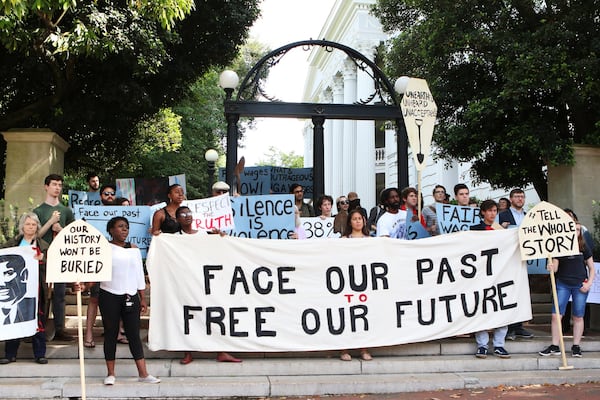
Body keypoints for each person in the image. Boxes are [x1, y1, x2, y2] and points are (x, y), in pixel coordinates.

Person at [86, 217, 160, 385]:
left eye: (126, 227)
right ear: (111, 230)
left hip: (131, 295)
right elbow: (95, 273)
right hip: (109, 295)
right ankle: (111, 374)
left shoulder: (134, 249)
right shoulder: (103, 249)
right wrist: (84, 284)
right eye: (120, 227)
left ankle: (143, 373)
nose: (124, 230)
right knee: (111, 333)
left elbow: (138, 275)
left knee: (134, 334)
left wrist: (142, 297)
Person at [539, 221, 595, 358]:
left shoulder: (583, 247)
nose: (575, 232)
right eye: (573, 229)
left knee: (578, 315)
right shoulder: (559, 248)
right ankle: (554, 345)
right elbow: (556, 268)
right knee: (556, 315)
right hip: (562, 283)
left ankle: (576, 346)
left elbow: (592, 268)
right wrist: (551, 267)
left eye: (577, 230)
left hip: (580, 285)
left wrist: (589, 284)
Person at [0, 213, 49, 364]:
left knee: (37, 320)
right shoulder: (11, 244)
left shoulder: (44, 246)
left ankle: (40, 354)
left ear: (37, 227)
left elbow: (52, 264)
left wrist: (43, 259)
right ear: (22, 226)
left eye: (34, 225)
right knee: (14, 319)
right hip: (14, 291)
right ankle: (10, 354)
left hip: (37, 290)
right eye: (28, 224)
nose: (30, 227)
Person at [33, 174, 75, 342]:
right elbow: (35, 236)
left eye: (59, 185)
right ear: (46, 187)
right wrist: (50, 222)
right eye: (54, 184)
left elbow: (72, 235)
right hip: (42, 258)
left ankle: (60, 328)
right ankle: (38, 328)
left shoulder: (66, 211)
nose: (57, 187)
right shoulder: (38, 211)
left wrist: (61, 228)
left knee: (59, 295)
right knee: (41, 294)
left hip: (60, 258)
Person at [470, 200, 511, 359]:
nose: (493, 213)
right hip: (481, 275)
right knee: (481, 308)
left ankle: (499, 344)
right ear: (483, 212)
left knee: (502, 307)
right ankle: (482, 345)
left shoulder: (503, 231)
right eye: (489, 211)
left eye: (495, 210)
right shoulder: (474, 230)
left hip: (500, 274)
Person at [499, 188, 534, 340]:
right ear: (511, 199)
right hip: (508, 261)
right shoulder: (502, 216)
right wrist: (503, 228)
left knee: (522, 293)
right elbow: (494, 235)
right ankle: (509, 327)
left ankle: (519, 325)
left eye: (522, 196)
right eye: (517, 197)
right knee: (510, 292)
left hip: (524, 260)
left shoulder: (528, 216)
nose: (520, 199)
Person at [338, 208, 372, 361]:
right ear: (349, 222)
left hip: (365, 282)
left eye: (360, 218)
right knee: (347, 315)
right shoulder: (344, 240)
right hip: (347, 282)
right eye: (355, 219)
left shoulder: (371, 240)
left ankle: (364, 349)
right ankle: (344, 349)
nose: (358, 221)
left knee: (364, 315)